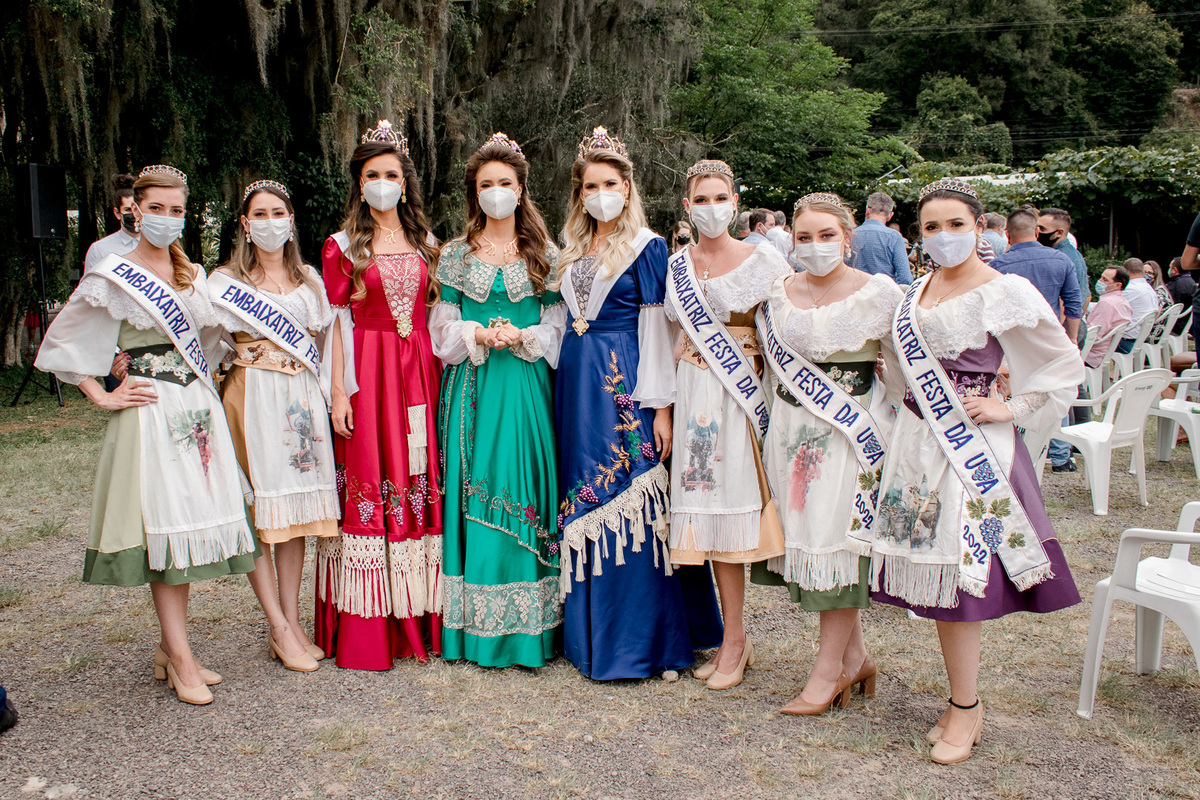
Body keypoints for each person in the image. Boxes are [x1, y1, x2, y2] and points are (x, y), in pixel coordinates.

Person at [870, 178, 1083, 765]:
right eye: (931, 227)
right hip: (918, 442)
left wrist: (1010, 406)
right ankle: (959, 701)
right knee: (938, 580)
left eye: (955, 224)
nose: (943, 236)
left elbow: (1062, 363)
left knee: (962, 582)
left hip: (971, 449)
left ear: (979, 226)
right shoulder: (915, 291)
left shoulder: (1004, 290)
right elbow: (900, 371)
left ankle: (966, 706)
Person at [35, 165, 258, 705]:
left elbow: (209, 343)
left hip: (195, 409)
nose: (166, 218)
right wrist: (102, 393)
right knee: (164, 528)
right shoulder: (113, 273)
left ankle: (170, 648)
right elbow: (62, 341)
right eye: (155, 208)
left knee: (183, 529)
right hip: (151, 411)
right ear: (135, 209)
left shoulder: (192, 274)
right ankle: (181, 658)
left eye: (176, 210)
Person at [554, 129, 722, 681]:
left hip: (623, 378)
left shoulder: (648, 246)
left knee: (632, 486)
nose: (600, 194)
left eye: (610, 184)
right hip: (576, 382)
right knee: (585, 488)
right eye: (590, 186)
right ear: (579, 193)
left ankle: (643, 641)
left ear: (627, 188)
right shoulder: (571, 250)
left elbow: (656, 330)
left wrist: (661, 407)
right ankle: (587, 636)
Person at [752, 191, 903, 715]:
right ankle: (855, 659)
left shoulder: (879, 294)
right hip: (790, 430)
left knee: (837, 544)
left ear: (847, 238)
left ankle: (828, 672)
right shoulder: (778, 292)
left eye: (826, 235)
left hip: (848, 434)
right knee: (812, 543)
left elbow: (901, 371)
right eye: (804, 237)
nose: (815, 245)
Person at [429, 133, 564, 668]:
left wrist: (525, 336)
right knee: (477, 484)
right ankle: (477, 628)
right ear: (474, 193)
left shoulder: (544, 255)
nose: (496, 192)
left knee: (523, 483)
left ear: (520, 188)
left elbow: (558, 326)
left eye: (504, 183)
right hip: (475, 387)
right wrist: (478, 334)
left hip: (525, 384)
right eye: (486, 184)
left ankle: (532, 628)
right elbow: (441, 328)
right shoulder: (455, 255)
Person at [316, 120, 444, 670]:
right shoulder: (342, 246)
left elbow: (436, 315)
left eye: (391, 174)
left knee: (416, 473)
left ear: (406, 183)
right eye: (372, 175)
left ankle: (419, 614)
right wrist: (339, 393)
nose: (383, 184)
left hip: (419, 371)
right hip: (367, 373)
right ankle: (369, 628)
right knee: (372, 472)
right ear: (359, 184)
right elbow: (336, 324)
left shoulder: (428, 244)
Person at [665, 159, 791, 690]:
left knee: (732, 515)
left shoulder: (764, 261)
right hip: (691, 392)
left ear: (735, 202)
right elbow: (670, 336)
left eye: (721, 198)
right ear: (687, 205)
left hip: (739, 397)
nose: (711, 208)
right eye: (701, 199)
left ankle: (736, 640)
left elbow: (784, 333)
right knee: (707, 517)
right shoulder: (677, 265)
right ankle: (730, 639)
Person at [212, 179, 340, 674]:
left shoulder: (309, 279)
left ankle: (291, 620)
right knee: (263, 515)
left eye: (278, 213)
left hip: (300, 402)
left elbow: (325, 340)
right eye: (260, 215)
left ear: (291, 221)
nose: (270, 223)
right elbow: (203, 340)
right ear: (245, 225)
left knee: (295, 516)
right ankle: (278, 625)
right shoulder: (225, 282)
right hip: (253, 397)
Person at [993, 208, 1083, 473]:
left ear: (1007, 234)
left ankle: (1016, 452)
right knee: (1053, 389)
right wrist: (1072, 338)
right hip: (1048, 341)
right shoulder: (1060, 260)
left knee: (1015, 395)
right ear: (1036, 231)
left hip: (1012, 343)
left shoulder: (997, 267)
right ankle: (1059, 455)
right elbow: (1074, 305)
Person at [83, 173, 140, 275]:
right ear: (117, 213)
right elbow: (91, 283)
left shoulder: (158, 245)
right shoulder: (99, 249)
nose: (134, 215)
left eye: (137, 209)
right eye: (128, 210)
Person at [1036, 208, 1089, 317]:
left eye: (1042, 229)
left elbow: (1068, 301)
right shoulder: (1071, 254)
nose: (1037, 232)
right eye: (1036, 228)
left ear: (1059, 232)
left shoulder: (1063, 258)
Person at [851, 191, 912, 284]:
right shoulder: (894, 237)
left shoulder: (850, 235)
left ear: (867, 210)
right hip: (884, 290)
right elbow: (905, 278)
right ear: (890, 215)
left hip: (853, 290)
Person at [1085, 266, 1134, 368]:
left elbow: (1093, 335)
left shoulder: (1106, 303)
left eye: (1105, 280)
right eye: (1101, 277)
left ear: (1117, 285)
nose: (1100, 281)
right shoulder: (1123, 302)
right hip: (1105, 353)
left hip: (1090, 356)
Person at [1118, 258, 1160, 351]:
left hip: (1125, 341)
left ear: (1124, 271)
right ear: (1143, 272)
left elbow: (1110, 307)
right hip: (1140, 339)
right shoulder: (1150, 289)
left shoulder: (1129, 289)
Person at [1166, 257, 1196, 335]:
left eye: (1170, 267)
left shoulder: (1174, 285)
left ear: (1175, 270)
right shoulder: (1192, 283)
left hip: (1174, 326)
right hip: (1187, 326)